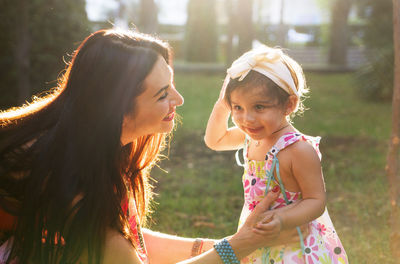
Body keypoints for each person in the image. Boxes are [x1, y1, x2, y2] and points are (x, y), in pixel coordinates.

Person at [0, 29, 306, 264]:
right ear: (116, 110)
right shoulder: (67, 180)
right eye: (162, 94)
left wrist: (228, 242)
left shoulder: (89, 144)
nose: (178, 99)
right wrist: (239, 247)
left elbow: (125, 242)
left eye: (171, 83)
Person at [204, 45, 348, 263]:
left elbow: (315, 200)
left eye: (259, 107)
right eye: (238, 107)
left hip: (295, 247)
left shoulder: (297, 150)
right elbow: (215, 140)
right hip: (261, 242)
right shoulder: (251, 136)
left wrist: (281, 218)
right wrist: (223, 103)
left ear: (289, 105)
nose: (247, 119)